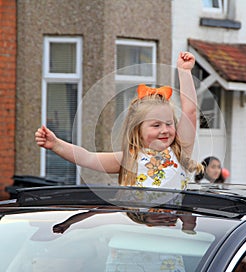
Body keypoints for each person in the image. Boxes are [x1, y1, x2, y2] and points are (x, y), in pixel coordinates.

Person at [35, 52, 203, 189]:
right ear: (138, 130)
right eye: (156, 125)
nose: (165, 130)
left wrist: (184, 72)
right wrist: (56, 144)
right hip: (137, 229)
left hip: (173, 230)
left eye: (169, 123)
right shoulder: (129, 159)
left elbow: (190, 111)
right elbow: (88, 158)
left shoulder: (180, 152)